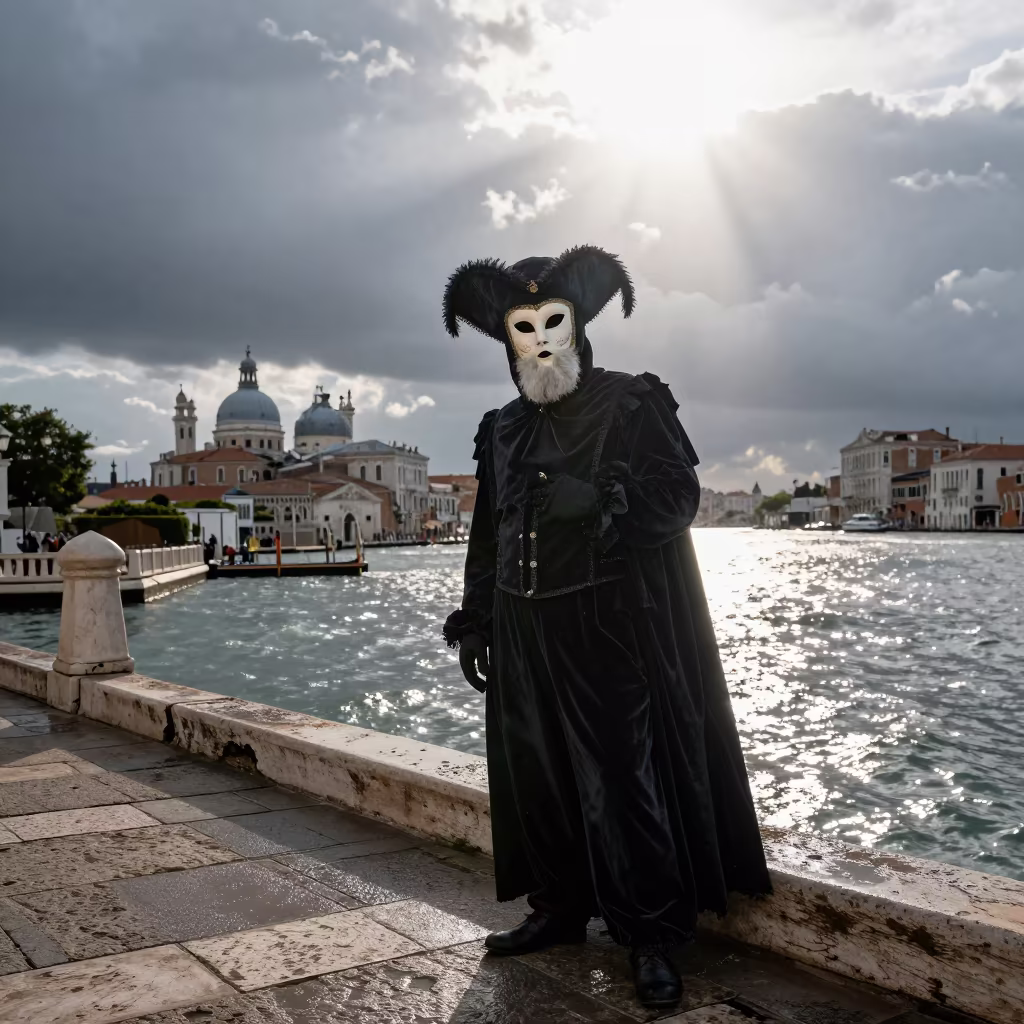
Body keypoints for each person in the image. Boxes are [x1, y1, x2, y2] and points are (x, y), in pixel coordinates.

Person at [442, 245, 771, 1011]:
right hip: (522, 630)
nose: (541, 341)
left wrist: (593, 501)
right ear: (506, 339)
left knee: (624, 783)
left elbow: (678, 497)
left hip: (608, 625)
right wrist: (478, 621)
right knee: (539, 779)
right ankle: (559, 907)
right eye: (524, 328)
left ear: (579, 324)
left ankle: (651, 935)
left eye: (553, 322)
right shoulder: (501, 427)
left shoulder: (630, 403)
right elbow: (488, 536)